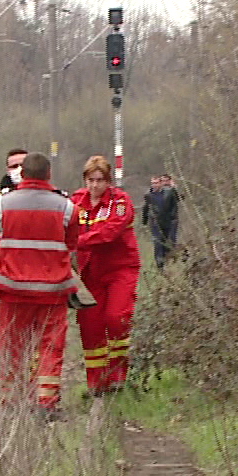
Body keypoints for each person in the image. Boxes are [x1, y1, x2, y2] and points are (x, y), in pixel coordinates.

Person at [0, 151, 79, 419]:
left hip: (12, 291)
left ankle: (12, 404)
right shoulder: (67, 207)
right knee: (50, 347)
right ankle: (47, 405)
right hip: (53, 291)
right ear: (49, 175)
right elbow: (71, 245)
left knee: (12, 347)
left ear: (22, 175)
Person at [73, 155, 141, 394]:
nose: (94, 185)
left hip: (120, 269)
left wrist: (77, 241)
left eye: (99, 180)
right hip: (90, 273)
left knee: (116, 318)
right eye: (90, 180)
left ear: (108, 180)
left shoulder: (120, 202)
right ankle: (96, 382)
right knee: (90, 325)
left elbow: (110, 232)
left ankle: (118, 373)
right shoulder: (76, 201)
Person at [142, 173, 182, 265]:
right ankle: (159, 263)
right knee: (157, 241)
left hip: (167, 221)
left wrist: (173, 216)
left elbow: (176, 202)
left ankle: (167, 258)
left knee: (168, 242)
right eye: (153, 183)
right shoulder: (148, 195)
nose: (154, 185)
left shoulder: (168, 192)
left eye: (156, 183)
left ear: (160, 184)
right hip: (155, 222)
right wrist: (144, 221)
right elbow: (146, 207)